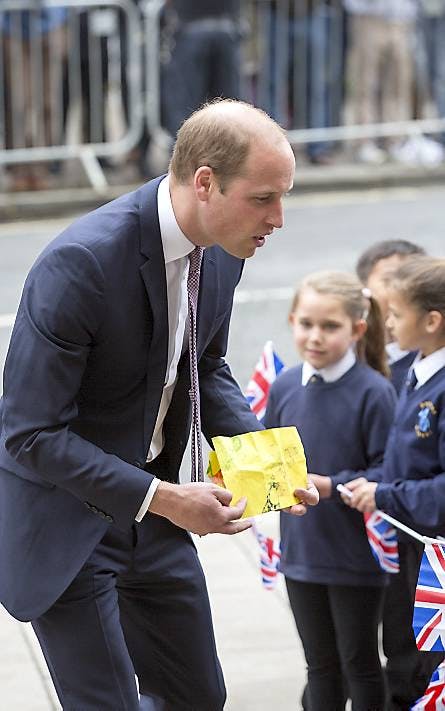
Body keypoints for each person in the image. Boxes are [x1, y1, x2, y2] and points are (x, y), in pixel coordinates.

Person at [0, 99, 318, 711]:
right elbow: (30, 434)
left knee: (197, 695)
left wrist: (270, 461)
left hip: (151, 514)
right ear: (206, 182)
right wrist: (169, 499)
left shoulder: (225, 246)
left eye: (285, 197)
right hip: (68, 519)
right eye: (263, 198)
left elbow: (204, 367)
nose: (278, 218)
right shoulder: (81, 264)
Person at [264, 271, 397, 710]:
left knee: (358, 663)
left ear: (357, 329)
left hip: (355, 555)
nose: (315, 337)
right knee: (319, 666)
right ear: (291, 321)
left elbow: (387, 473)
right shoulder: (284, 386)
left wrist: (330, 485)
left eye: (330, 326)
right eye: (306, 324)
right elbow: (268, 457)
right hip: (301, 553)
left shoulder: (374, 393)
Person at [344, 256, 445, 709]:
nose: (390, 325)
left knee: (432, 662)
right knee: (409, 652)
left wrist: (384, 495)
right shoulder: (417, 372)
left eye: (398, 315)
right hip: (413, 544)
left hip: (436, 558)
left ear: (432, 320)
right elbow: (403, 460)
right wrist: (371, 485)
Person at [356, 238, 426, 393]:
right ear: (363, 288)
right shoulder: (347, 351)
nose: (402, 291)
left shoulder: (430, 358)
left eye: (411, 280)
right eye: (389, 280)